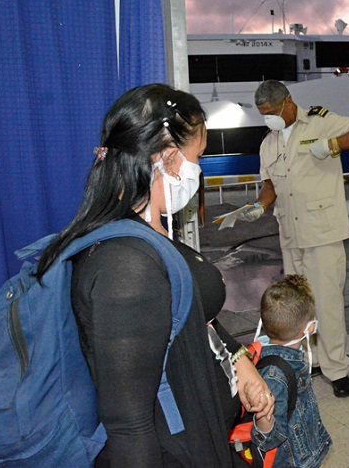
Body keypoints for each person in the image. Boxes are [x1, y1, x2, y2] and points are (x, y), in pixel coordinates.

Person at [35, 84, 274, 467]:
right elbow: (129, 425)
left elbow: (189, 315)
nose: (198, 169)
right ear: (168, 159)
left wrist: (238, 359)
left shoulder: (148, 234)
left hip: (201, 434)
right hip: (173, 453)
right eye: (198, 156)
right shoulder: (124, 265)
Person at [231, 80, 349, 398]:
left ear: (288, 102)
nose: (268, 118)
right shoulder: (268, 143)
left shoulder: (320, 122)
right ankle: (311, 361)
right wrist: (259, 206)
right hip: (291, 234)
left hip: (322, 232)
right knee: (300, 306)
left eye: (271, 111)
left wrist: (334, 144)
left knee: (328, 304)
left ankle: (337, 369)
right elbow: (270, 185)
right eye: (263, 114)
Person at [251, 275, 332, 467]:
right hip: (293, 461)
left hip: (303, 451)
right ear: (310, 328)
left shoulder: (284, 359)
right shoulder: (275, 377)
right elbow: (269, 438)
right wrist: (263, 418)